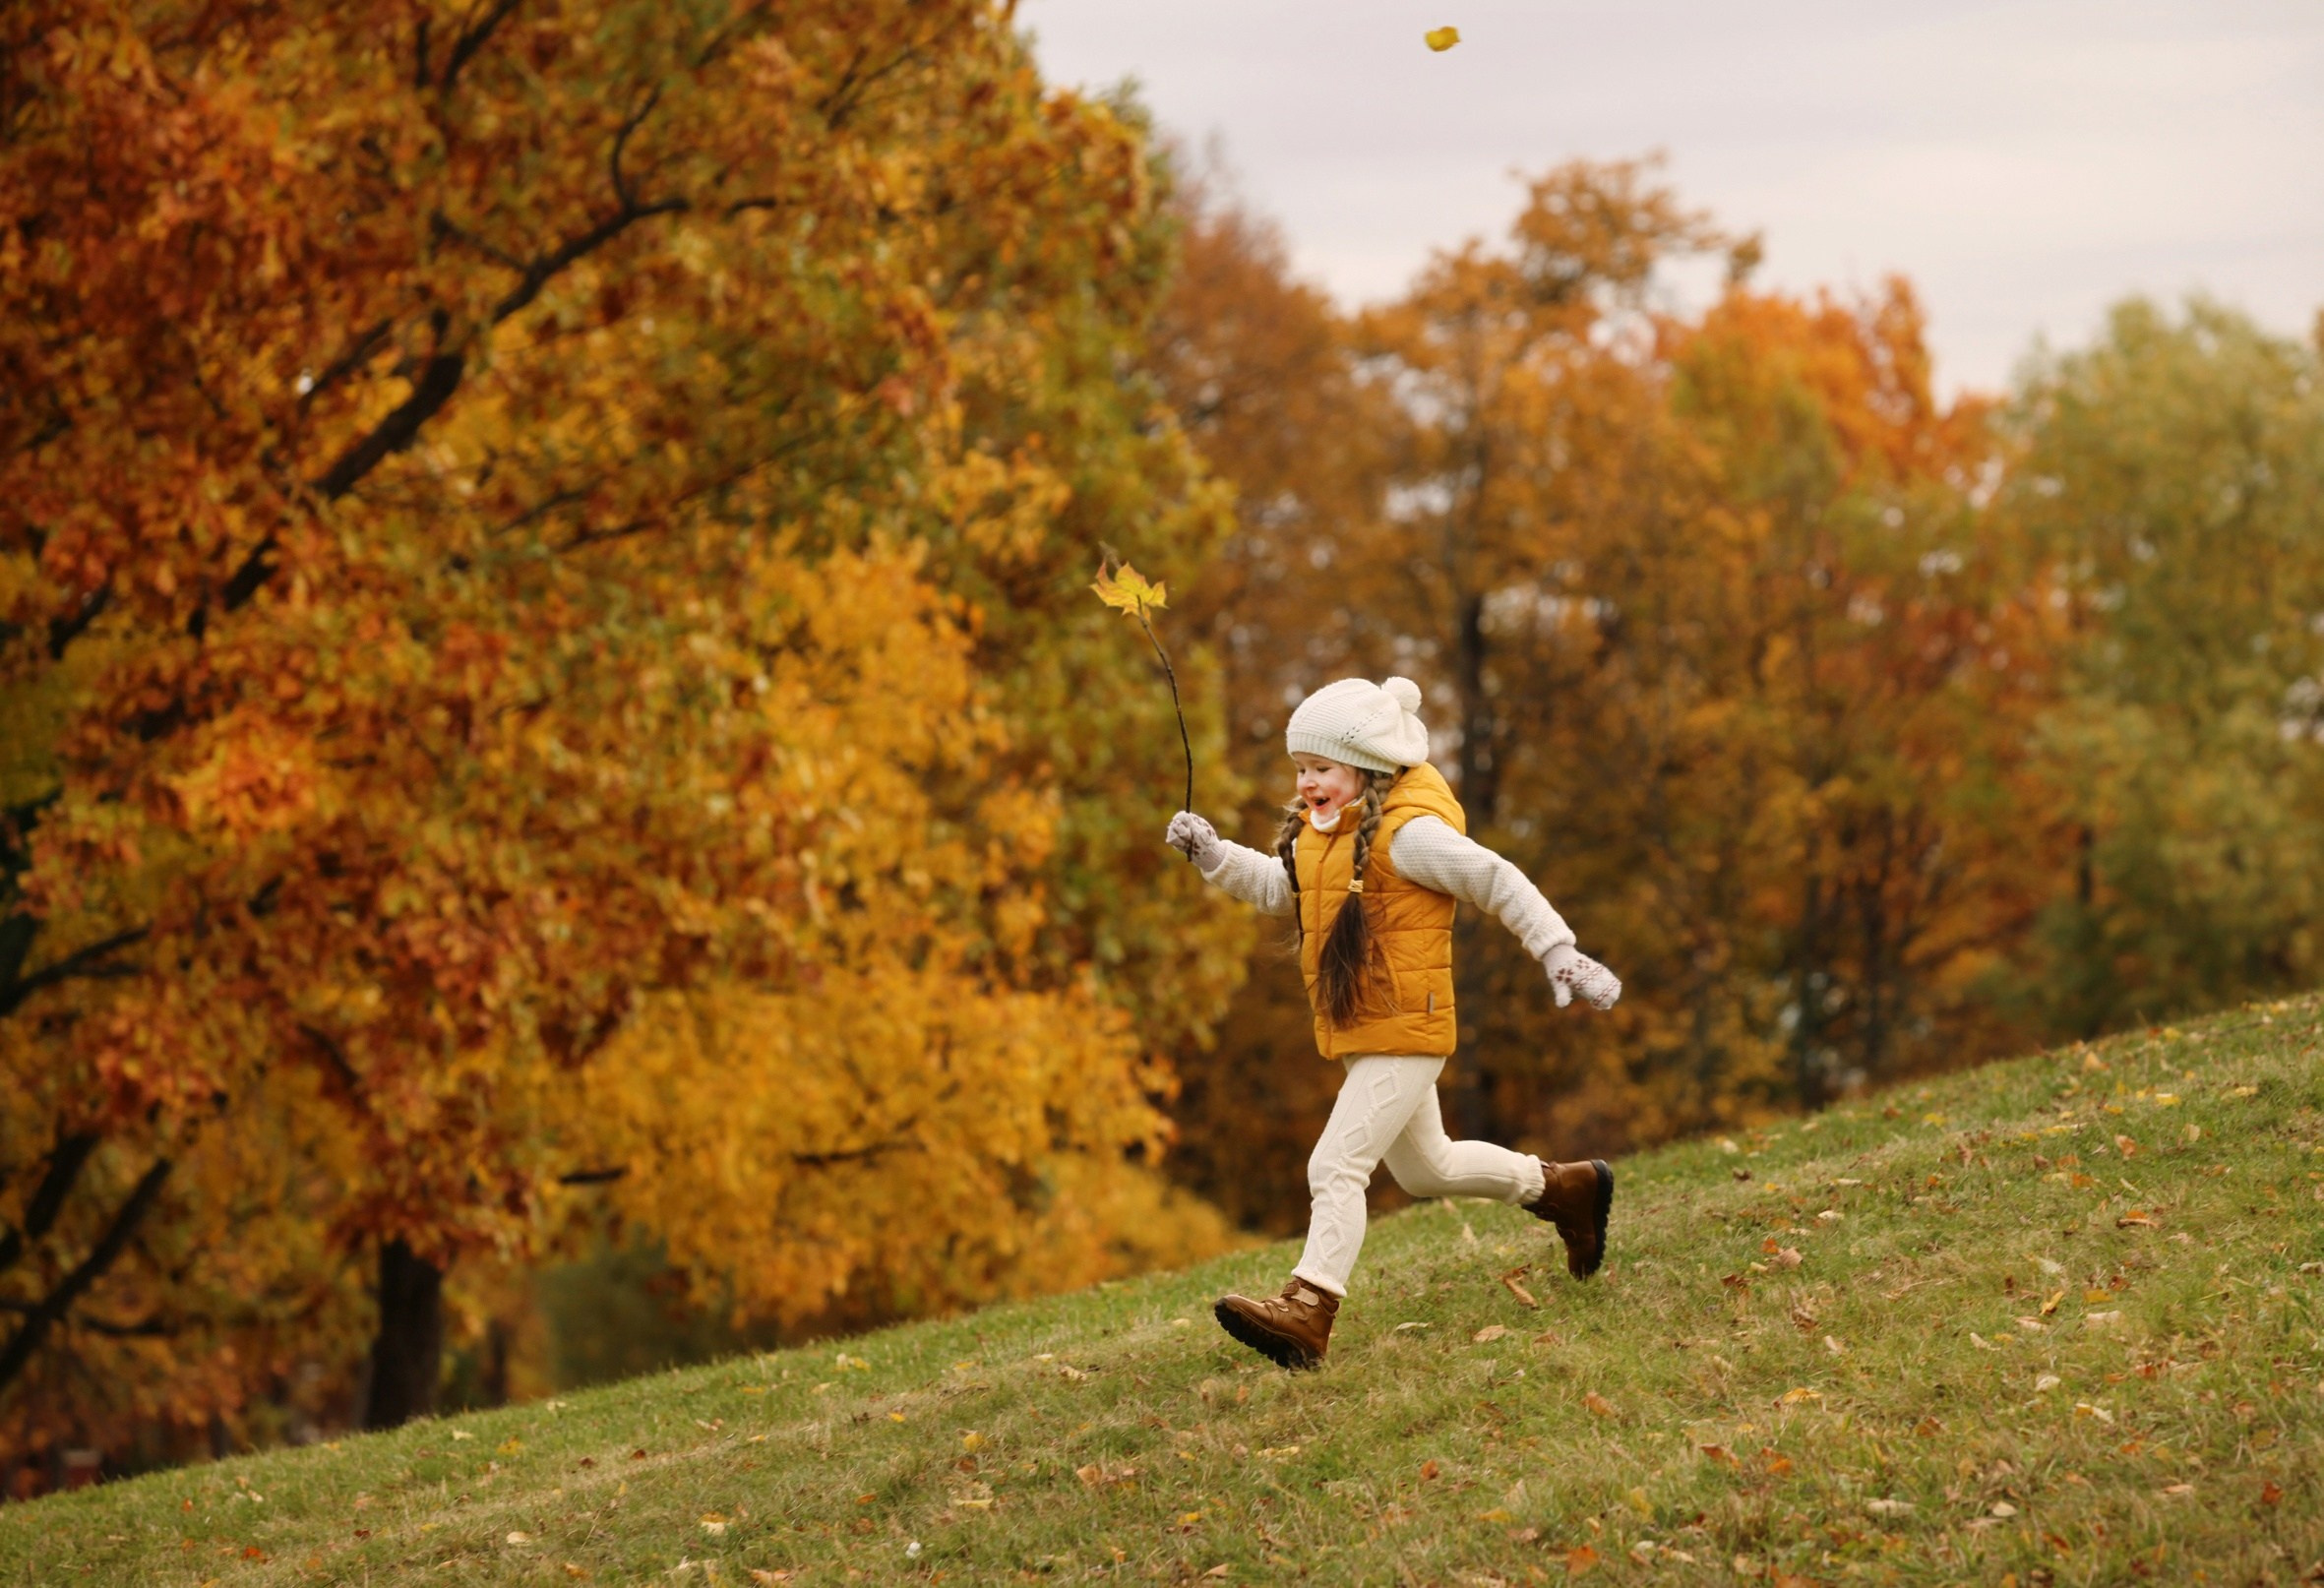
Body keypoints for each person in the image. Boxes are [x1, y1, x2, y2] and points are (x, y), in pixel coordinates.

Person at [1164, 675, 1621, 1370]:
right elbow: (1273, 887)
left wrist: (1559, 952)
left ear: (1367, 767)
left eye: (1321, 768)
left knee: (1335, 1164)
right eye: (1301, 769)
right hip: (1366, 1029)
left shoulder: (1410, 838)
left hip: (1408, 1029)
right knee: (1426, 1169)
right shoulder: (1322, 834)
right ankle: (1566, 1189)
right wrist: (1213, 852)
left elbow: (1497, 878)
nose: (1307, 782)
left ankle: (1308, 1309)